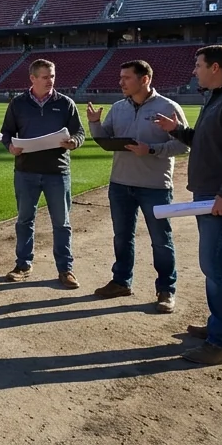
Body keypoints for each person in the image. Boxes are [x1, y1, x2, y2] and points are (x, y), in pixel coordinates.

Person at [153, 45, 222, 366]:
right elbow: (209, 142)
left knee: (216, 266)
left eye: (198, 65)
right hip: (214, 195)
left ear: (215, 67)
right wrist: (178, 131)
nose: (194, 71)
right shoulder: (220, 97)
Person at [86, 60, 189, 312]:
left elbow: (184, 145)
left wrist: (151, 149)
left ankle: (166, 290)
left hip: (154, 186)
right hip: (120, 183)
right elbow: (106, 140)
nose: (121, 82)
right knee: (122, 237)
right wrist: (95, 124)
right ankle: (121, 281)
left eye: (127, 78)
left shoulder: (168, 107)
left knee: (160, 240)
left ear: (145, 79)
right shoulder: (118, 107)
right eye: (120, 77)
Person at [0, 58, 86, 288]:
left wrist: (74, 142)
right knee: (25, 220)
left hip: (57, 171)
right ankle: (23, 264)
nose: (51, 81)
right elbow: (6, 132)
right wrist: (10, 146)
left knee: (62, 223)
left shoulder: (65, 103)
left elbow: (79, 131)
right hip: (26, 171)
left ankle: (65, 269)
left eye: (53, 76)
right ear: (33, 78)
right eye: (46, 76)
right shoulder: (18, 104)